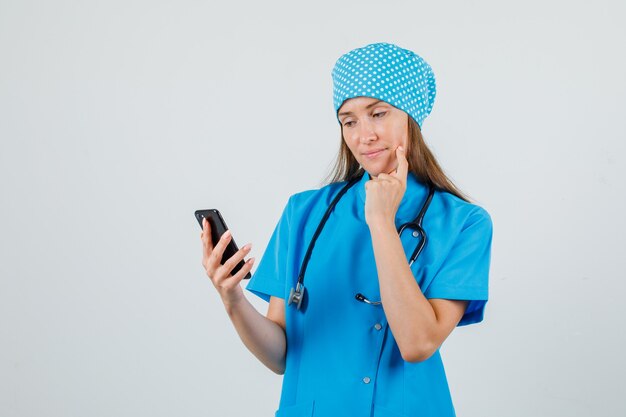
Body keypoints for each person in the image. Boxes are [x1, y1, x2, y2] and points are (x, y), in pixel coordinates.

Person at [200, 42, 493, 417]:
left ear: (411, 118)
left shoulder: (464, 223)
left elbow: (417, 343)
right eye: (349, 120)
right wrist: (232, 299)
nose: (363, 135)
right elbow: (280, 355)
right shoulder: (305, 212)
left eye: (378, 113)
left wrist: (381, 223)